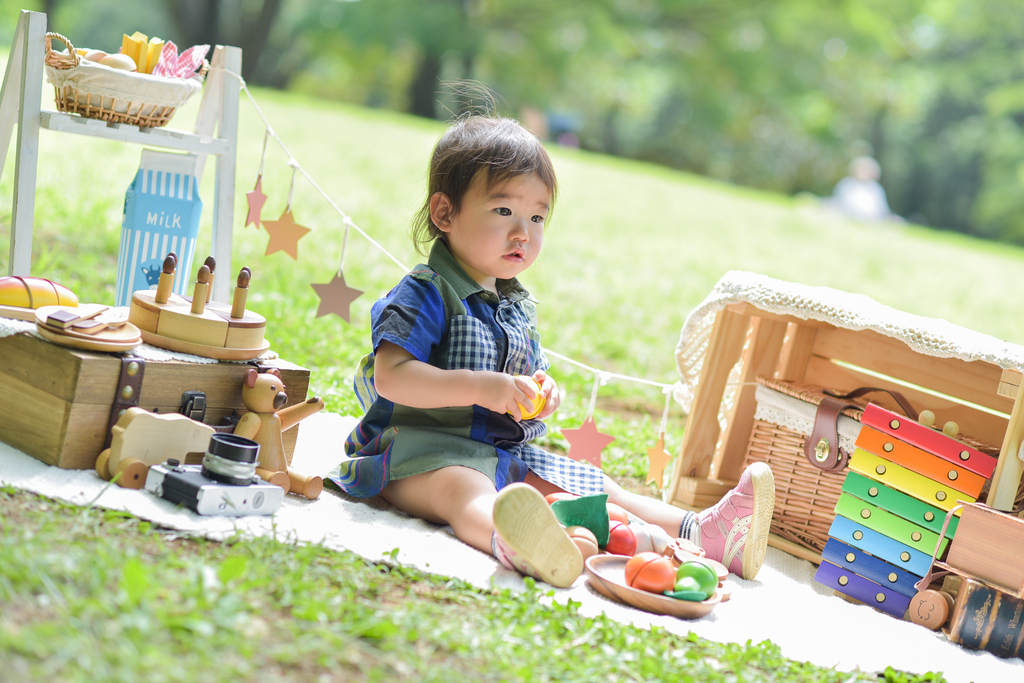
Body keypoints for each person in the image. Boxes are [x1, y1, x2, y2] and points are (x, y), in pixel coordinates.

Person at [329, 114, 775, 588]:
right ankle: (517, 542)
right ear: (445, 214)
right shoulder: (427, 292)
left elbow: (528, 373)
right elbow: (393, 377)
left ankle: (706, 532)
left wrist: (542, 390)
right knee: (462, 489)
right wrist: (485, 387)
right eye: (503, 212)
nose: (523, 232)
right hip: (419, 453)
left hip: (502, 453)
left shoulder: (515, 306)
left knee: (590, 485)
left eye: (537, 217)